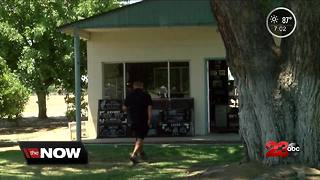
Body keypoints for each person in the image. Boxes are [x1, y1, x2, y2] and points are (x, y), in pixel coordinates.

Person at [122, 81, 152, 164]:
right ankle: (134, 155)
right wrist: (149, 119)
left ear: (134, 87)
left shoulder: (130, 95)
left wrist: (130, 110)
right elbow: (149, 108)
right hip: (143, 119)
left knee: (138, 137)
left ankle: (142, 154)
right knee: (140, 138)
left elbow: (124, 108)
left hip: (133, 119)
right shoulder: (146, 95)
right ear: (141, 86)